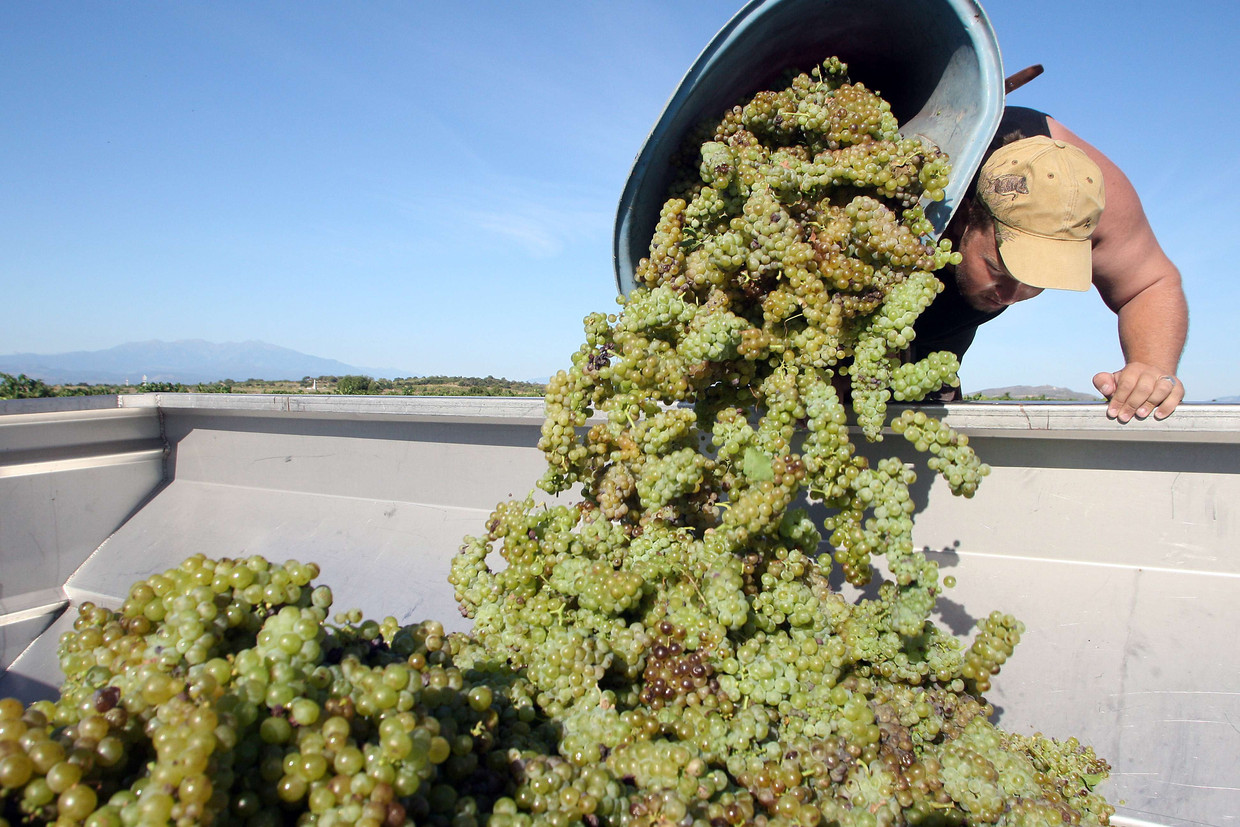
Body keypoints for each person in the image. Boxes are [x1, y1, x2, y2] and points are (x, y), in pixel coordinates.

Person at [910, 107, 1188, 421]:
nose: (1011, 295)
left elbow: (1150, 284)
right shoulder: (915, 170)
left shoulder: (1089, 201)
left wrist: (1150, 369)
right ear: (963, 219)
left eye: (1035, 278)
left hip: (941, 340)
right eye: (998, 269)